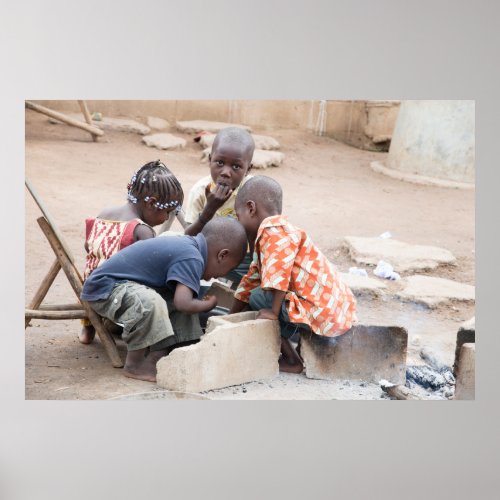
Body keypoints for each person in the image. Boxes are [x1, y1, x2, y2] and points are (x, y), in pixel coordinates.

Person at [81, 217, 248, 382]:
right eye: (229, 269)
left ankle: (161, 357)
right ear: (222, 255)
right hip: (106, 288)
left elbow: (179, 303)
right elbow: (183, 303)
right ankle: (135, 365)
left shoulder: (190, 249)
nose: (221, 275)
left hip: (126, 289)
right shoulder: (192, 257)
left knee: (183, 300)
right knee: (153, 302)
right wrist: (208, 304)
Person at [230, 176, 358, 373]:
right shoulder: (281, 231)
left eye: (238, 216)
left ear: (251, 208)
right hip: (332, 309)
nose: (239, 223)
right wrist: (230, 318)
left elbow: (279, 274)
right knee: (256, 294)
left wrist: (272, 312)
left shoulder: (273, 234)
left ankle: (292, 361)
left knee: (258, 298)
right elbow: (251, 278)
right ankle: (294, 344)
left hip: (321, 313)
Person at [79, 160, 184, 344]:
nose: (167, 218)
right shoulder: (141, 230)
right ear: (151, 203)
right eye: (167, 212)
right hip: (113, 294)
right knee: (160, 290)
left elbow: (88, 247)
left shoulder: (104, 213)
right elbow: (154, 269)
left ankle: (88, 328)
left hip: (89, 284)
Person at [183, 126, 255, 288]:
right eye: (220, 163)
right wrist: (210, 209)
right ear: (210, 160)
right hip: (209, 254)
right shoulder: (200, 191)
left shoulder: (252, 191)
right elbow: (188, 238)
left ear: (248, 169)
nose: (226, 172)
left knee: (257, 278)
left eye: (236, 167)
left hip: (245, 258)